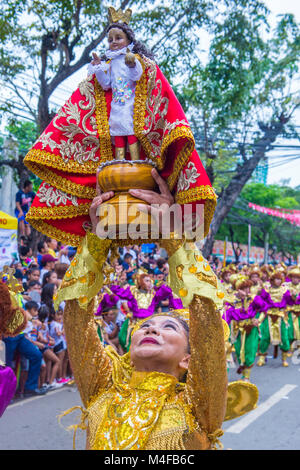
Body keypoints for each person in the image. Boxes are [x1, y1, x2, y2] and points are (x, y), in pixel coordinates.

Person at [55, 175, 258, 450]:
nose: (151, 329)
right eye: (146, 326)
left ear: (189, 359)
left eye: (169, 328)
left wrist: (172, 233)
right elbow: (77, 317)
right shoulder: (102, 389)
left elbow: (207, 317)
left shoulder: (197, 406)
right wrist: (96, 237)